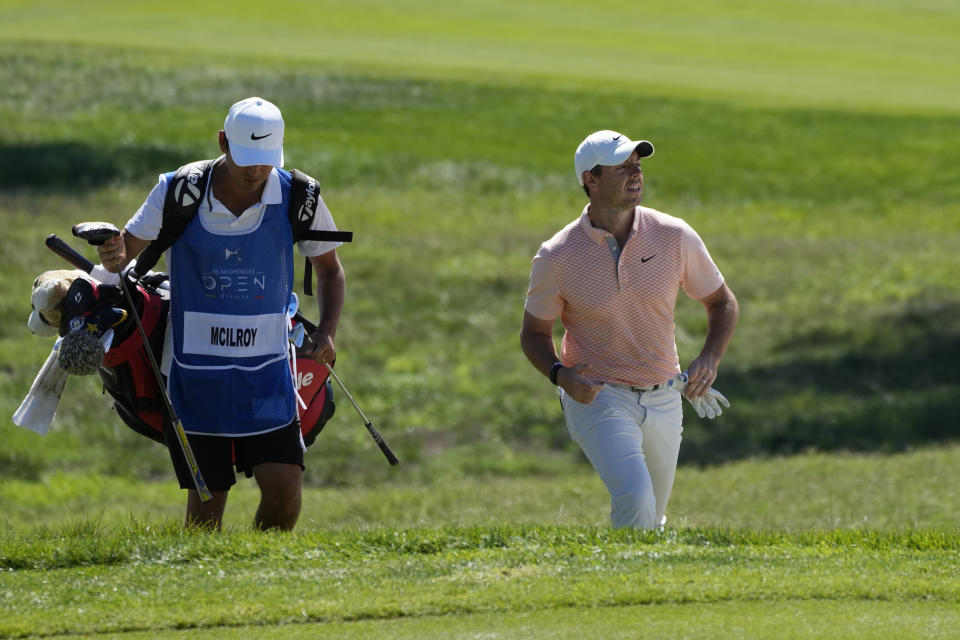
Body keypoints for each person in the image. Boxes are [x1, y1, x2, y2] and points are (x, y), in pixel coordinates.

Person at [98, 97, 345, 531]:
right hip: (195, 374)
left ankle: (262, 573)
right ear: (222, 141)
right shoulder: (178, 190)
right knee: (207, 506)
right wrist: (112, 253)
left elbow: (330, 271)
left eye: (266, 162)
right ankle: (205, 578)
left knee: (286, 488)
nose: (256, 172)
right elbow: (125, 256)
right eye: (247, 160)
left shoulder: (299, 196)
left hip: (268, 372)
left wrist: (327, 331)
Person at [520, 130, 739, 530]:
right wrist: (560, 375)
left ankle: (637, 584)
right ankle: (614, 582)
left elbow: (722, 302)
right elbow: (534, 334)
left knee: (652, 516)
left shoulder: (673, 234)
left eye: (637, 165)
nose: (634, 173)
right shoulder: (557, 255)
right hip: (598, 397)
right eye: (622, 167)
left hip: (665, 396)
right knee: (635, 496)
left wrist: (710, 357)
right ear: (591, 179)